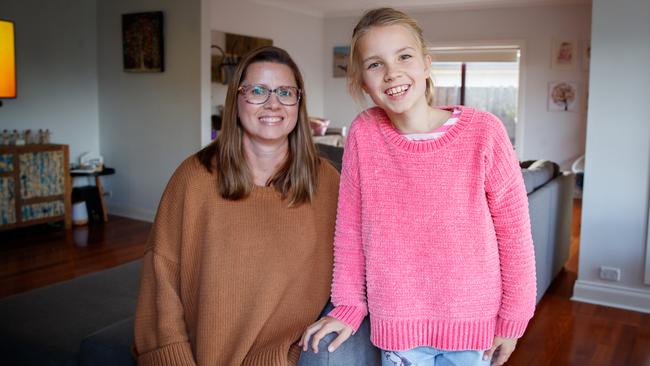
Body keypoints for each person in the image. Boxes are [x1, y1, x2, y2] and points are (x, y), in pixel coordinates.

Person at [300, 8, 536, 366]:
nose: (392, 72)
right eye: (375, 64)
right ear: (363, 81)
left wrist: (514, 318)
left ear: (426, 64)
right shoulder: (364, 134)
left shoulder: (484, 132)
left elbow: (515, 232)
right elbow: (349, 228)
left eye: (404, 56)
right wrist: (348, 305)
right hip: (399, 323)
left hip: (473, 324)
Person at [133, 46, 347, 366]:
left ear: (298, 103)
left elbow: (356, 264)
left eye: (285, 92)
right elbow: (160, 278)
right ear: (236, 100)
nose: (273, 103)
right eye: (258, 91)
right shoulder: (193, 179)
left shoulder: (326, 182)